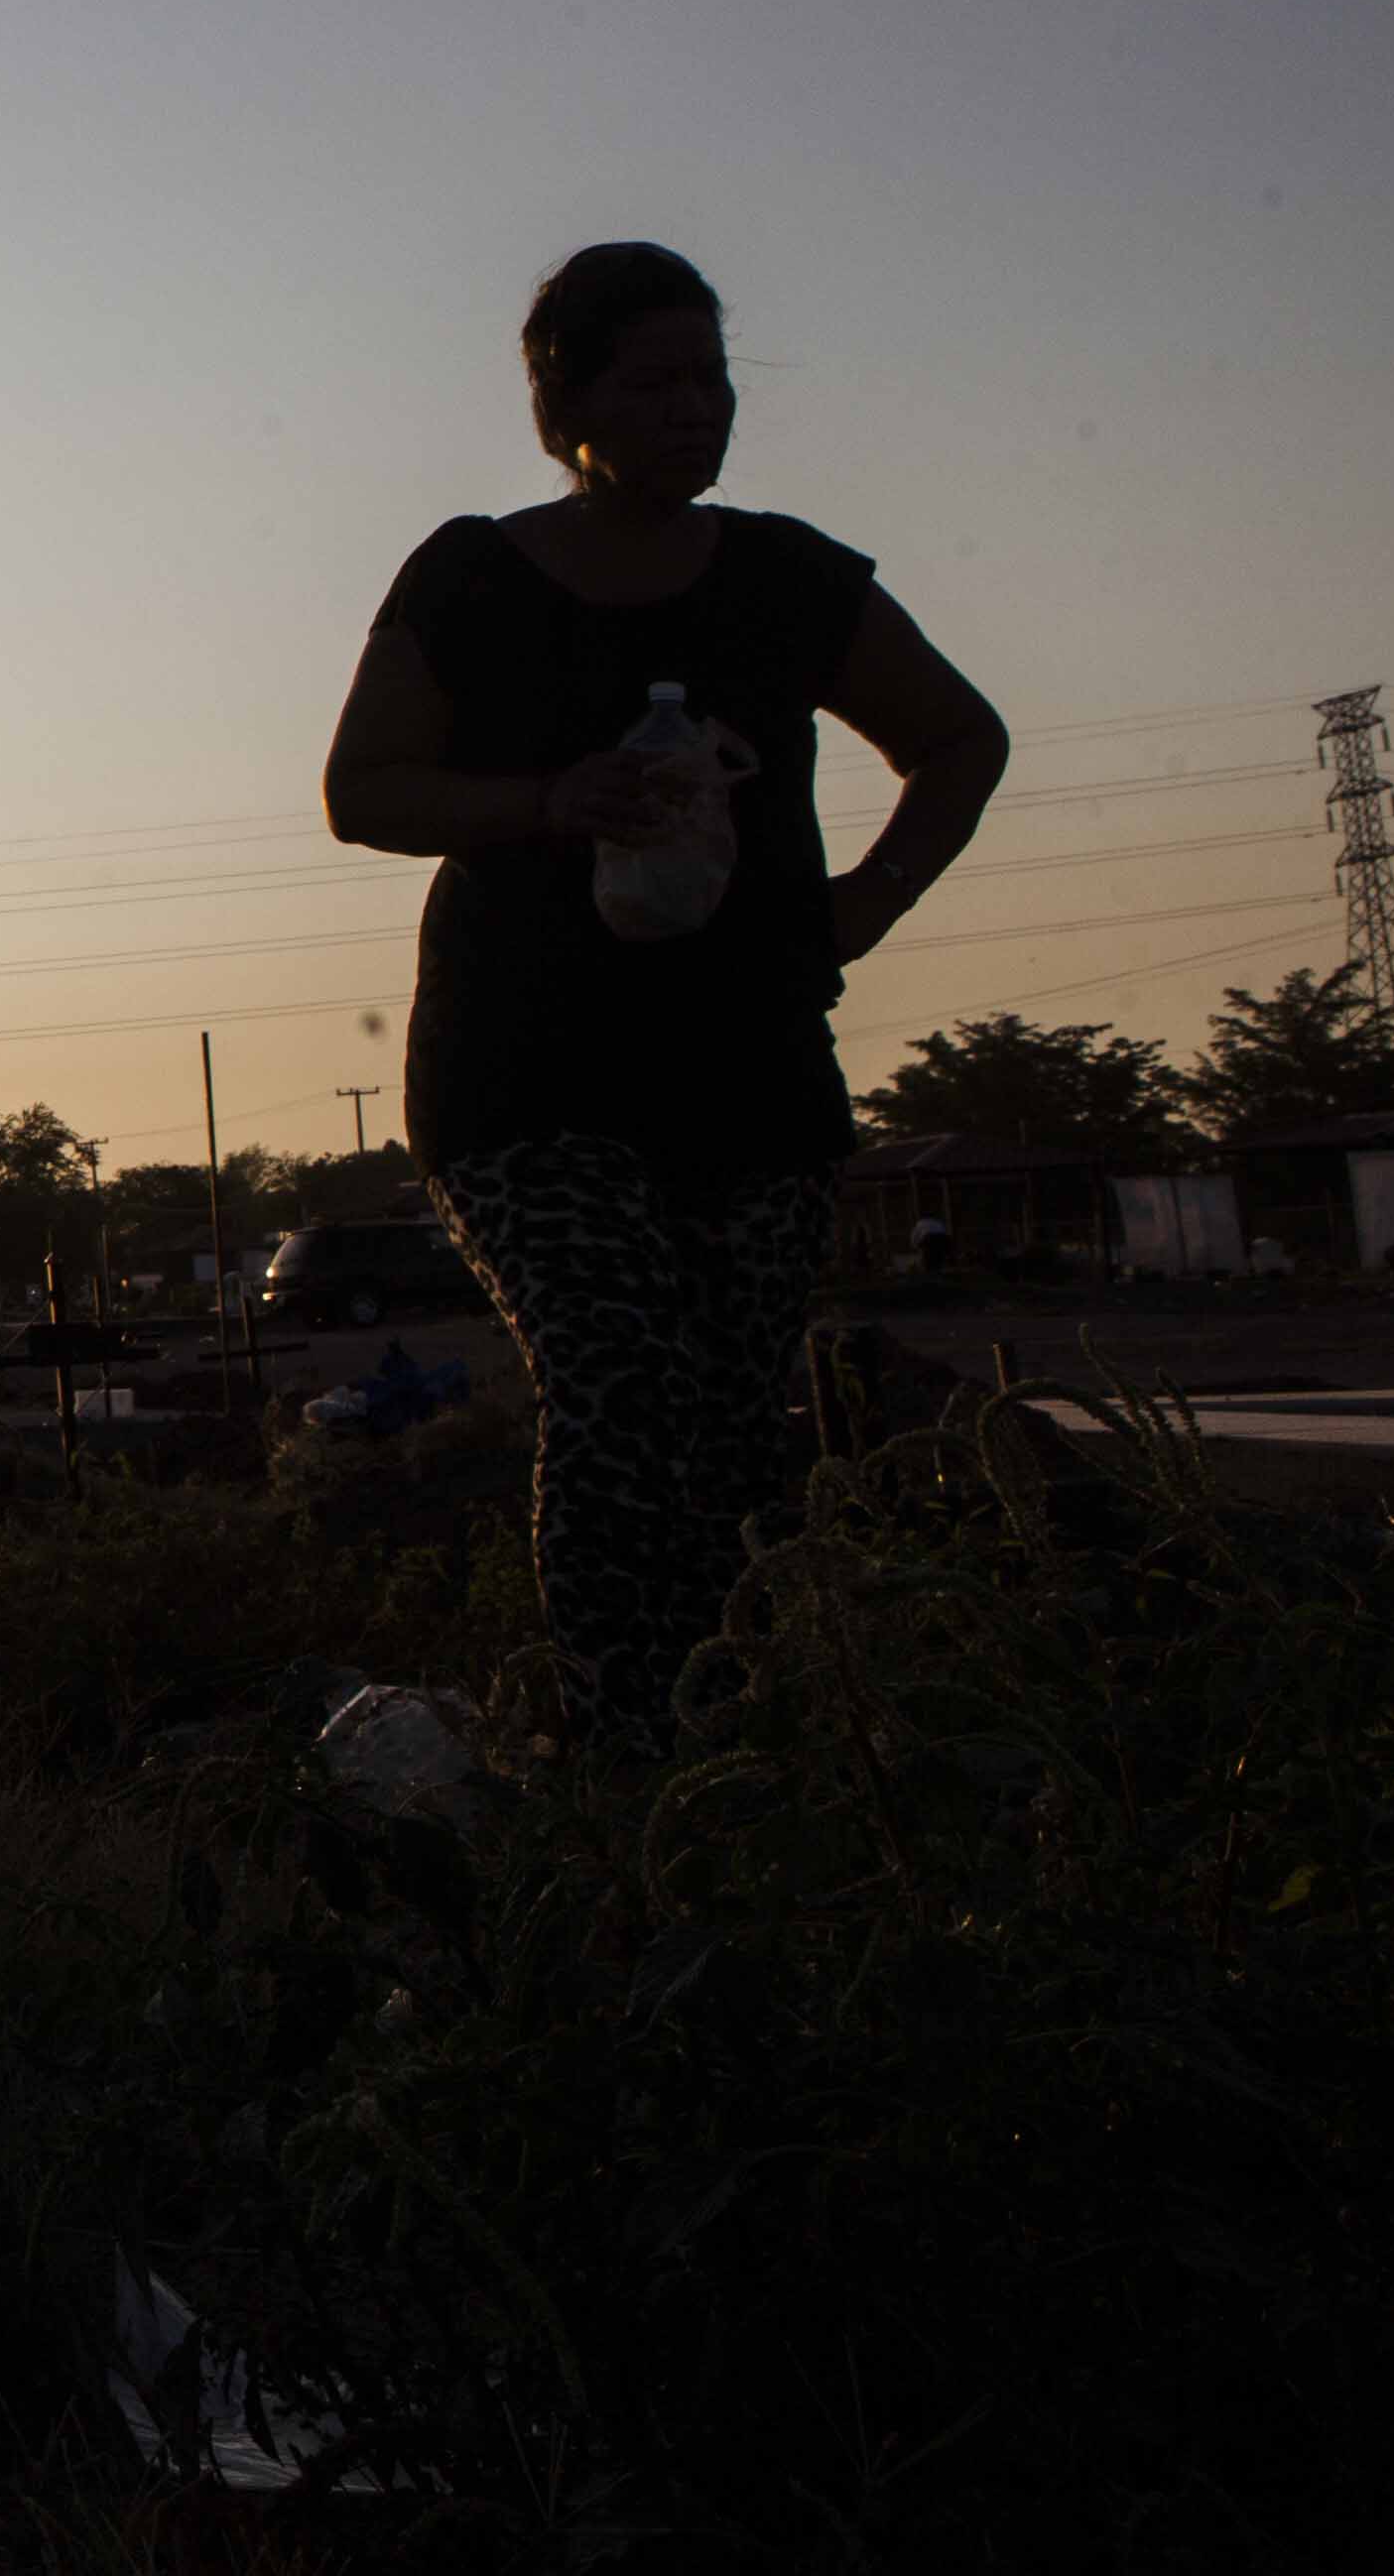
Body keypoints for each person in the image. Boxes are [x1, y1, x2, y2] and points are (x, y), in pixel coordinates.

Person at [319, 243, 1007, 1750]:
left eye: (711, 377)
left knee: (721, 1426)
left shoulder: (786, 580)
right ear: (562, 401)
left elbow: (958, 740)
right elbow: (362, 790)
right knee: (620, 1389)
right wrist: (554, 796)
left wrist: (860, 912)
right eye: (653, 380)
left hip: (750, 1067)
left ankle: (732, 1759)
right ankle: (621, 1753)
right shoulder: (473, 576)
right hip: (527, 1071)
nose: (694, 408)